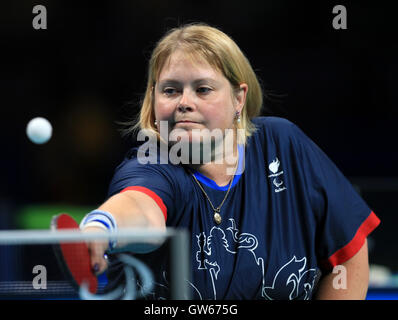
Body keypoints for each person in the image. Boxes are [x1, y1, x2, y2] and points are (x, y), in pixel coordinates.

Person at [80, 23, 380, 300]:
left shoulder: (283, 144)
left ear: (238, 99)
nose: (184, 101)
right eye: (170, 90)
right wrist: (102, 227)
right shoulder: (151, 165)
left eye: (203, 89)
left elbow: (348, 252)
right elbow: (142, 210)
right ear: (153, 99)